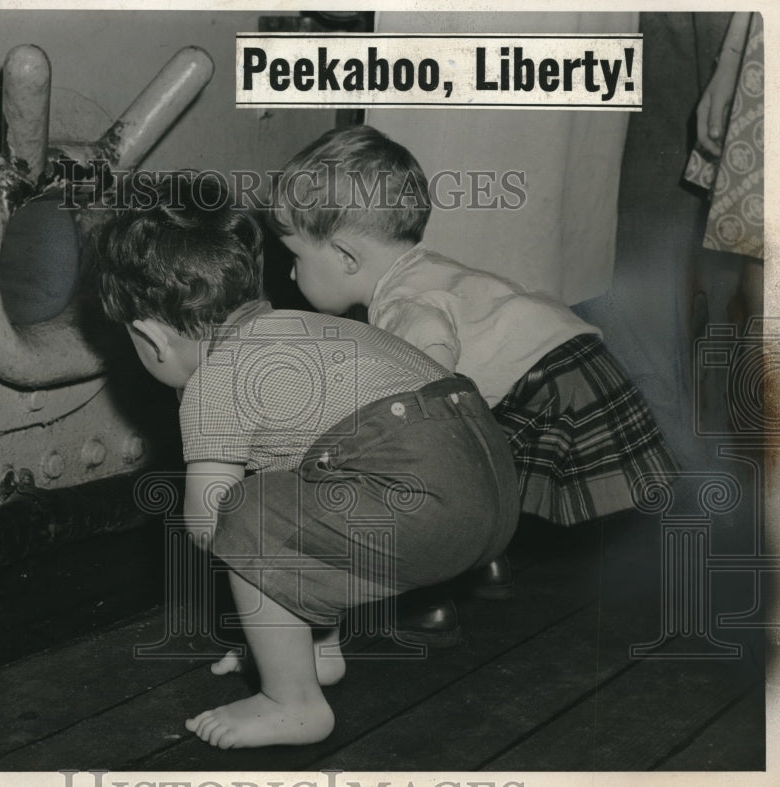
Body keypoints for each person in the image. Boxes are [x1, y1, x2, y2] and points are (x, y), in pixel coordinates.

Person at [94, 173, 518, 748]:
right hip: (492, 480)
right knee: (299, 503)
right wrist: (275, 626)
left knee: (238, 515)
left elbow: (209, 524)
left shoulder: (215, 380)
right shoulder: (309, 330)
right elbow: (309, 519)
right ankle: (316, 656)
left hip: (425, 490)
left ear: (150, 339)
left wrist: (254, 590)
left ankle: (290, 702)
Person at [269, 125, 679, 588]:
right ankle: (487, 552)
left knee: (427, 455)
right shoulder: (427, 269)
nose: (290, 270)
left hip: (550, 386)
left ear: (345, 256)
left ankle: (446, 565)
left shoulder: (400, 304)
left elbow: (428, 388)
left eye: (296, 256)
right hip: (576, 358)